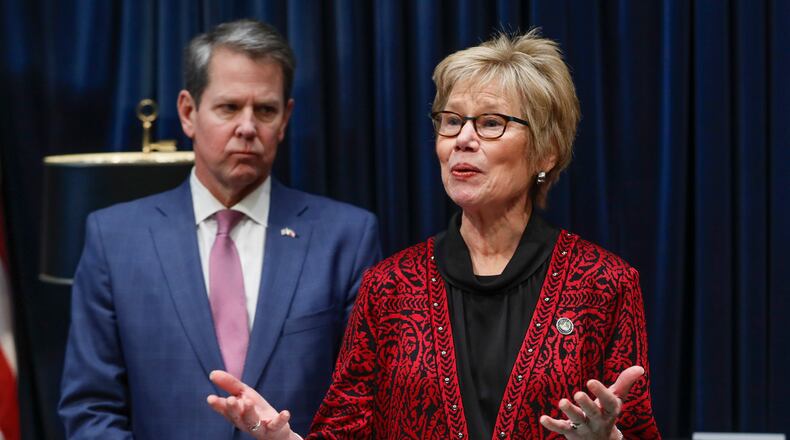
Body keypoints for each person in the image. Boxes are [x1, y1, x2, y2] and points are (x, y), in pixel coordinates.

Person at [207, 29, 661, 439]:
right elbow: (344, 432)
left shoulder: (604, 284)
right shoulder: (389, 287)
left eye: (490, 123)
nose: (463, 139)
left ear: (546, 151)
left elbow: (635, 429)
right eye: (451, 121)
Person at [58, 19, 381, 439]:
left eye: (265, 110)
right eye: (229, 108)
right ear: (189, 113)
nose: (247, 127)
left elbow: (365, 407)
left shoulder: (348, 237)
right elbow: (90, 409)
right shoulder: (114, 239)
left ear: (285, 120)